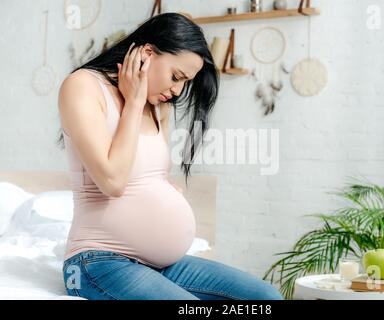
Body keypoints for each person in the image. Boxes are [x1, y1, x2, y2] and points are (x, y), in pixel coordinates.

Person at [58, 13, 284, 300]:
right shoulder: (83, 86)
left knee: (266, 297)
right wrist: (134, 101)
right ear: (148, 53)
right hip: (96, 263)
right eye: (176, 77)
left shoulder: (158, 105)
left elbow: (150, 176)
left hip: (158, 264)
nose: (177, 91)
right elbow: (112, 182)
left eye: (185, 82)